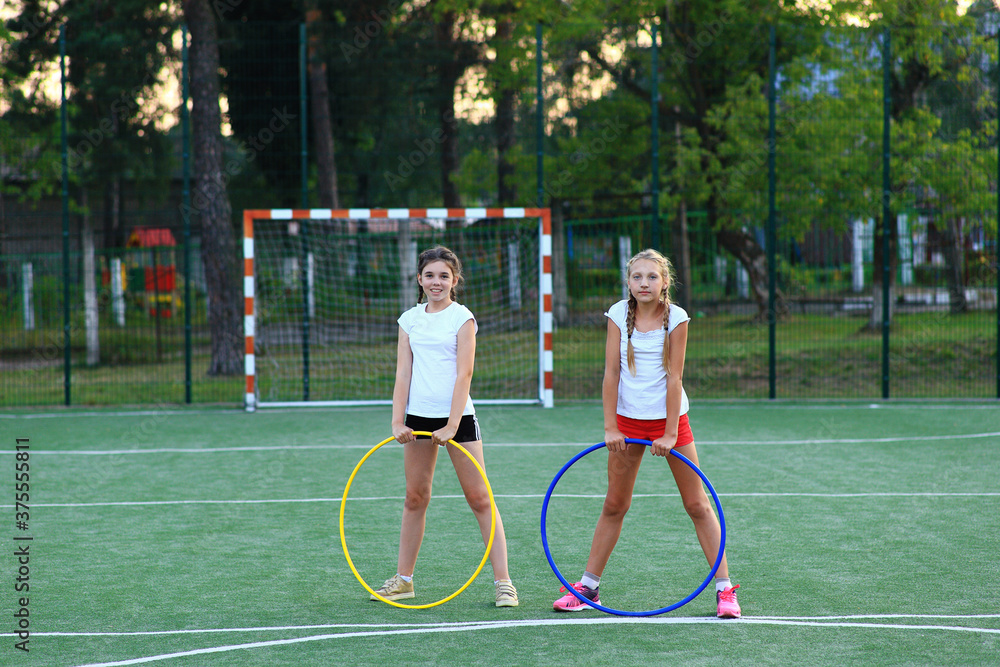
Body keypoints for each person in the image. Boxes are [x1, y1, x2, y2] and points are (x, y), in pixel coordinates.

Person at [552, 248, 741, 618]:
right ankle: (588, 587)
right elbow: (610, 374)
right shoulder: (618, 314)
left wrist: (670, 432)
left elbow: (675, 377)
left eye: (652, 277)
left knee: (697, 504)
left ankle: (725, 591)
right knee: (614, 504)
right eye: (637, 277)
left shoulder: (678, 318)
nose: (644, 283)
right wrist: (610, 426)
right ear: (628, 282)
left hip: (670, 420)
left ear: (665, 281)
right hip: (626, 421)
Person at [371, 245, 519, 608]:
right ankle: (404, 580)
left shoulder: (462, 318)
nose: (436, 282)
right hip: (418, 420)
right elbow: (403, 373)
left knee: (480, 498)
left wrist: (453, 423)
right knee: (415, 497)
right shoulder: (409, 320)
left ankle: (504, 582)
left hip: (459, 418)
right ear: (419, 279)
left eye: (444, 276)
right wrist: (397, 420)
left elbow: (464, 372)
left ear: (455, 281)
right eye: (430, 275)